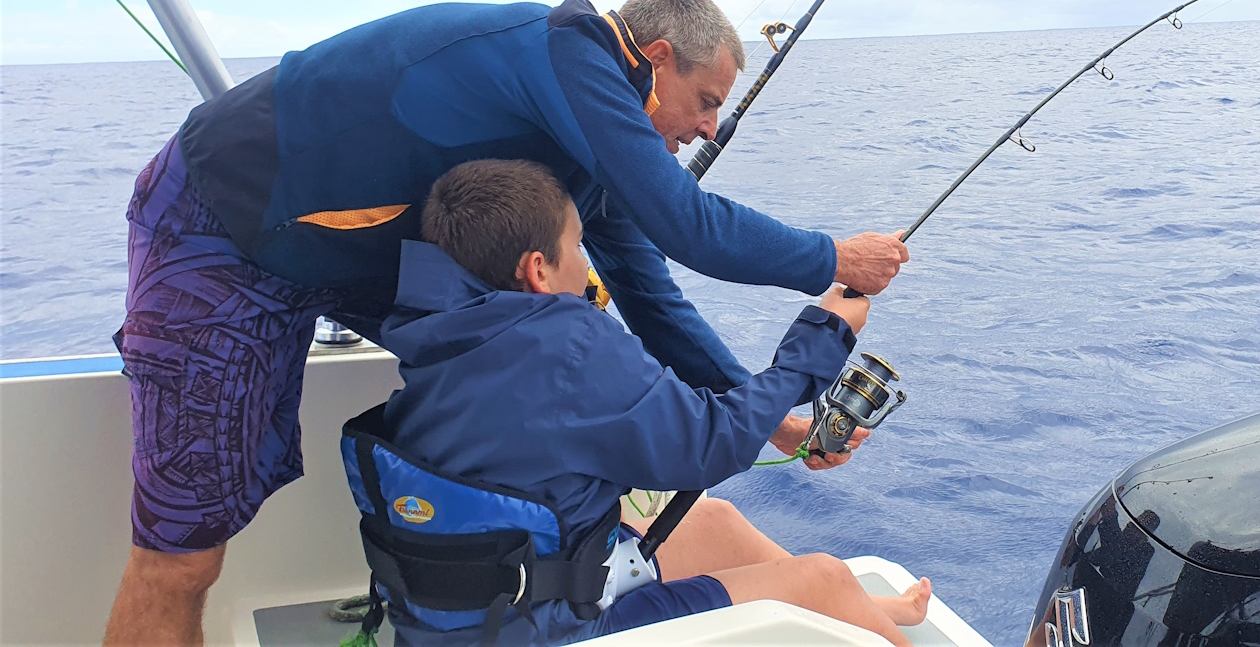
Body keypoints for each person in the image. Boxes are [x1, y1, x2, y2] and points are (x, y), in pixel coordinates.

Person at [106, 0, 909, 644]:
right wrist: (832, 261)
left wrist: (773, 421)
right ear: (652, 60)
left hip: (363, 256)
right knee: (181, 558)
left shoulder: (594, 161)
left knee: (525, 380)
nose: (708, 129)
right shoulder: (566, 53)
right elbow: (687, 223)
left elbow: (652, 295)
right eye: (704, 102)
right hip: (224, 230)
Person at [342, 158, 930, 645]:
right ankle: (847, 605)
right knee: (821, 579)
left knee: (715, 521)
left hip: (472, 615)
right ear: (538, 269)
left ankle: (870, 610)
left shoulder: (446, 333)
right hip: (549, 629)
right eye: (578, 247)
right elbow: (710, 443)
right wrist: (823, 336)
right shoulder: (565, 344)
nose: (585, 263)